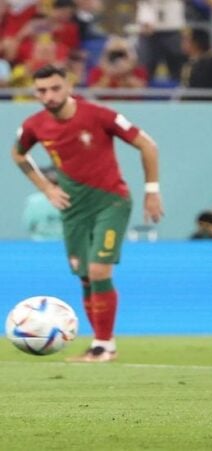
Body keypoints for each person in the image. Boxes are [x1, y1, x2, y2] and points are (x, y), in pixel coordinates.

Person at [11, 64, 164, 362]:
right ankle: (102, 345)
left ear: (68, 86)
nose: (49, 96)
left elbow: (147, 145)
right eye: (42, 91)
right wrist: (47, 188)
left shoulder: (99, 115)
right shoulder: (34, 125)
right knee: (84, 276)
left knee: (98, 271)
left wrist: (152, 190)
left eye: (55, 88)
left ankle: (103, 346)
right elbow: (18, 154)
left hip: (111, 202)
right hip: (73, 209)